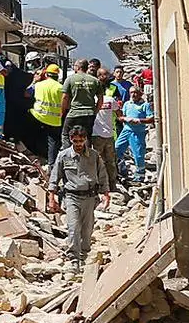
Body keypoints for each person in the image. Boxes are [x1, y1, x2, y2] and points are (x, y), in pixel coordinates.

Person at [48, 124, 111, 268]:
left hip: (89, 198)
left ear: (85, 140)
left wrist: (106, 194)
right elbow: (54, 177)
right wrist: (51, 198)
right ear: (71, 140)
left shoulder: (94, 156)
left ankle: (85, 254)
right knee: (73, 226)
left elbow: (102, 175)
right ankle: (73, 258)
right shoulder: (63, 156)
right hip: (71, 197)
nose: (78, 144)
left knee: (87, 229)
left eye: (80, 141)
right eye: (75, 141)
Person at [27, 64, 64, 166]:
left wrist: (34, 81)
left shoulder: (38, 85)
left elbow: (26, 93)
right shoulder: (61, 88)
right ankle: (52, 164)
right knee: (53, 143)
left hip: (38, 116)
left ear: (46, 74)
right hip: (55, 120)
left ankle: (32, 156)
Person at [116, 85, 155, 181]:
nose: (133, 94)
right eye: (131, 92)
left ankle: (140, 175)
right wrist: (125, 119)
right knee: (117, 148)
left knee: (138, 154)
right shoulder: (127, 104)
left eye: (135, 92)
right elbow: (121, 117)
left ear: (140, 94)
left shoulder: (145, 105)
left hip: (138, 132)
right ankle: (122, 169)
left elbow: (151, 118)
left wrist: (139, 120)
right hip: (126, 130)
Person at [92, 68, 120, 191]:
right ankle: (111, 185)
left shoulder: (92, 100)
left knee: (98, 162)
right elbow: (119, 113)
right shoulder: (111, 100)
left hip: (97, 135)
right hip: (108, 135)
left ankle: (101, 186)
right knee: (110, 162)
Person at [61, 58, 103, 140]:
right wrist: (95, 111)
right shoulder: (95, 81)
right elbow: (100, 99)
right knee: (86, 137)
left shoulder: (70, 79)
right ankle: (86, 152)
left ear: (78, 67)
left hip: (74, 113)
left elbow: (65, 97)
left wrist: (62, 112)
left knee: (66, 135)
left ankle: (68, 152)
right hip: (89, 114)